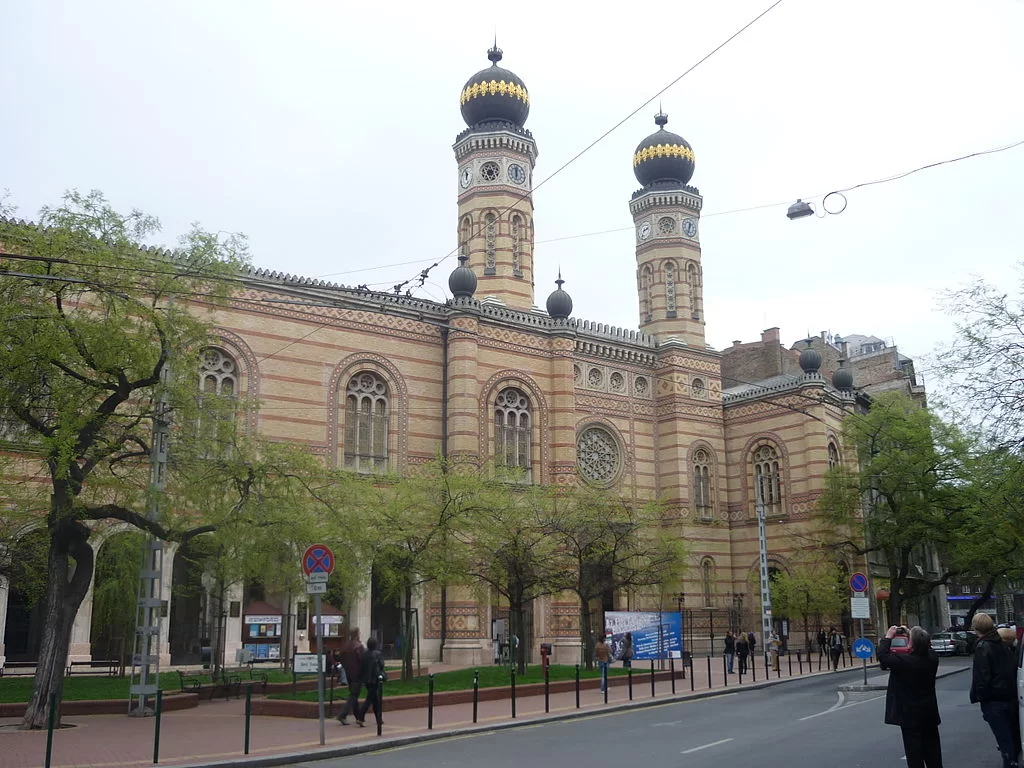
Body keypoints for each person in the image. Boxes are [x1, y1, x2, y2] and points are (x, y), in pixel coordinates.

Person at [878, 624, 943, 768]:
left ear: (911, 643)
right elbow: (928, 648)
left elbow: (883, 656)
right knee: (934, 753)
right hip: (929, 714)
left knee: (914, 756)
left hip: (909, 716)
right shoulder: (933, 658)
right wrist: (911, 634)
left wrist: (888, 637)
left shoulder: (905, 662)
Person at [970, 613, 1020, 768]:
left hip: (993, 700)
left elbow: (982, 677)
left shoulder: (983, 647)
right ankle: (1012, 761)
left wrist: (980, 696)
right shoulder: (1001, 644)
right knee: (1011, 738)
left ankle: (1010, 763)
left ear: (976, 627)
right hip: (1009, 697)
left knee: (1004, 741)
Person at [355, 636, 386, 728]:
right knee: (369, 699)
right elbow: (382, 665)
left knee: (375, 700)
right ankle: (360, 716)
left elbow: (361, 668)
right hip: (375, 679)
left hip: (367, 680)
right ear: (375, 645)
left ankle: (379, 719)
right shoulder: (378, 654)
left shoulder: (364, 654)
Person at [335, 628, 364, 725]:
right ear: (357, 634)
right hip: (357, 674)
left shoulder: (345, 646)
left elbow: (341, 658)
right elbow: (361, 660)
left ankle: (358, 717)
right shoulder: (358, 646)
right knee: (354, 695)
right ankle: (342, 714)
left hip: (348, 673)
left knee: (353, 694)